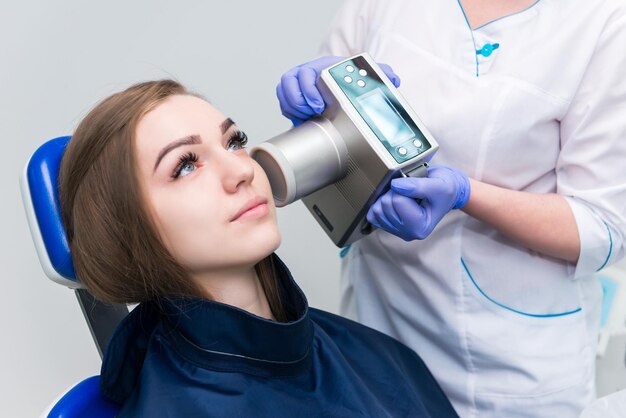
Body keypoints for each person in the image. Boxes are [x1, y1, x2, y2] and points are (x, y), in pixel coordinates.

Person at [275, 1, 626, 417]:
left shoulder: (604, 23)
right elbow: (333, 124)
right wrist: (318, 94)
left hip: (509, 361)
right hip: (380, 317)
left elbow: (602, 229)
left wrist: (465, 194)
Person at [57, 79, 459, 417]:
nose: (243, 170)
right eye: (186, 165)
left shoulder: (372, 353)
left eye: (234, 142)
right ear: (126, 230)